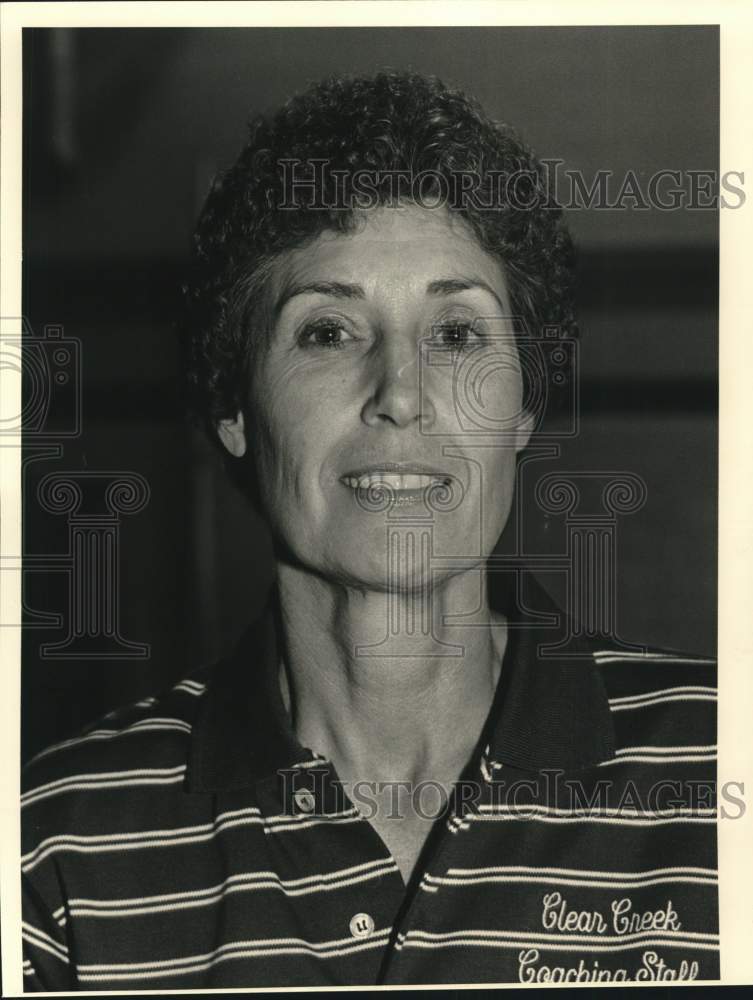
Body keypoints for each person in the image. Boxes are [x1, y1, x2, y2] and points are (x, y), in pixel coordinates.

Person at [21, 71, 718, 989]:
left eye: (457, 335)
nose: (399, 393)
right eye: (328, 332)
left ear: (522, 408)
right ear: (234, 404)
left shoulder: (717, 770)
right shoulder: (56, 845)